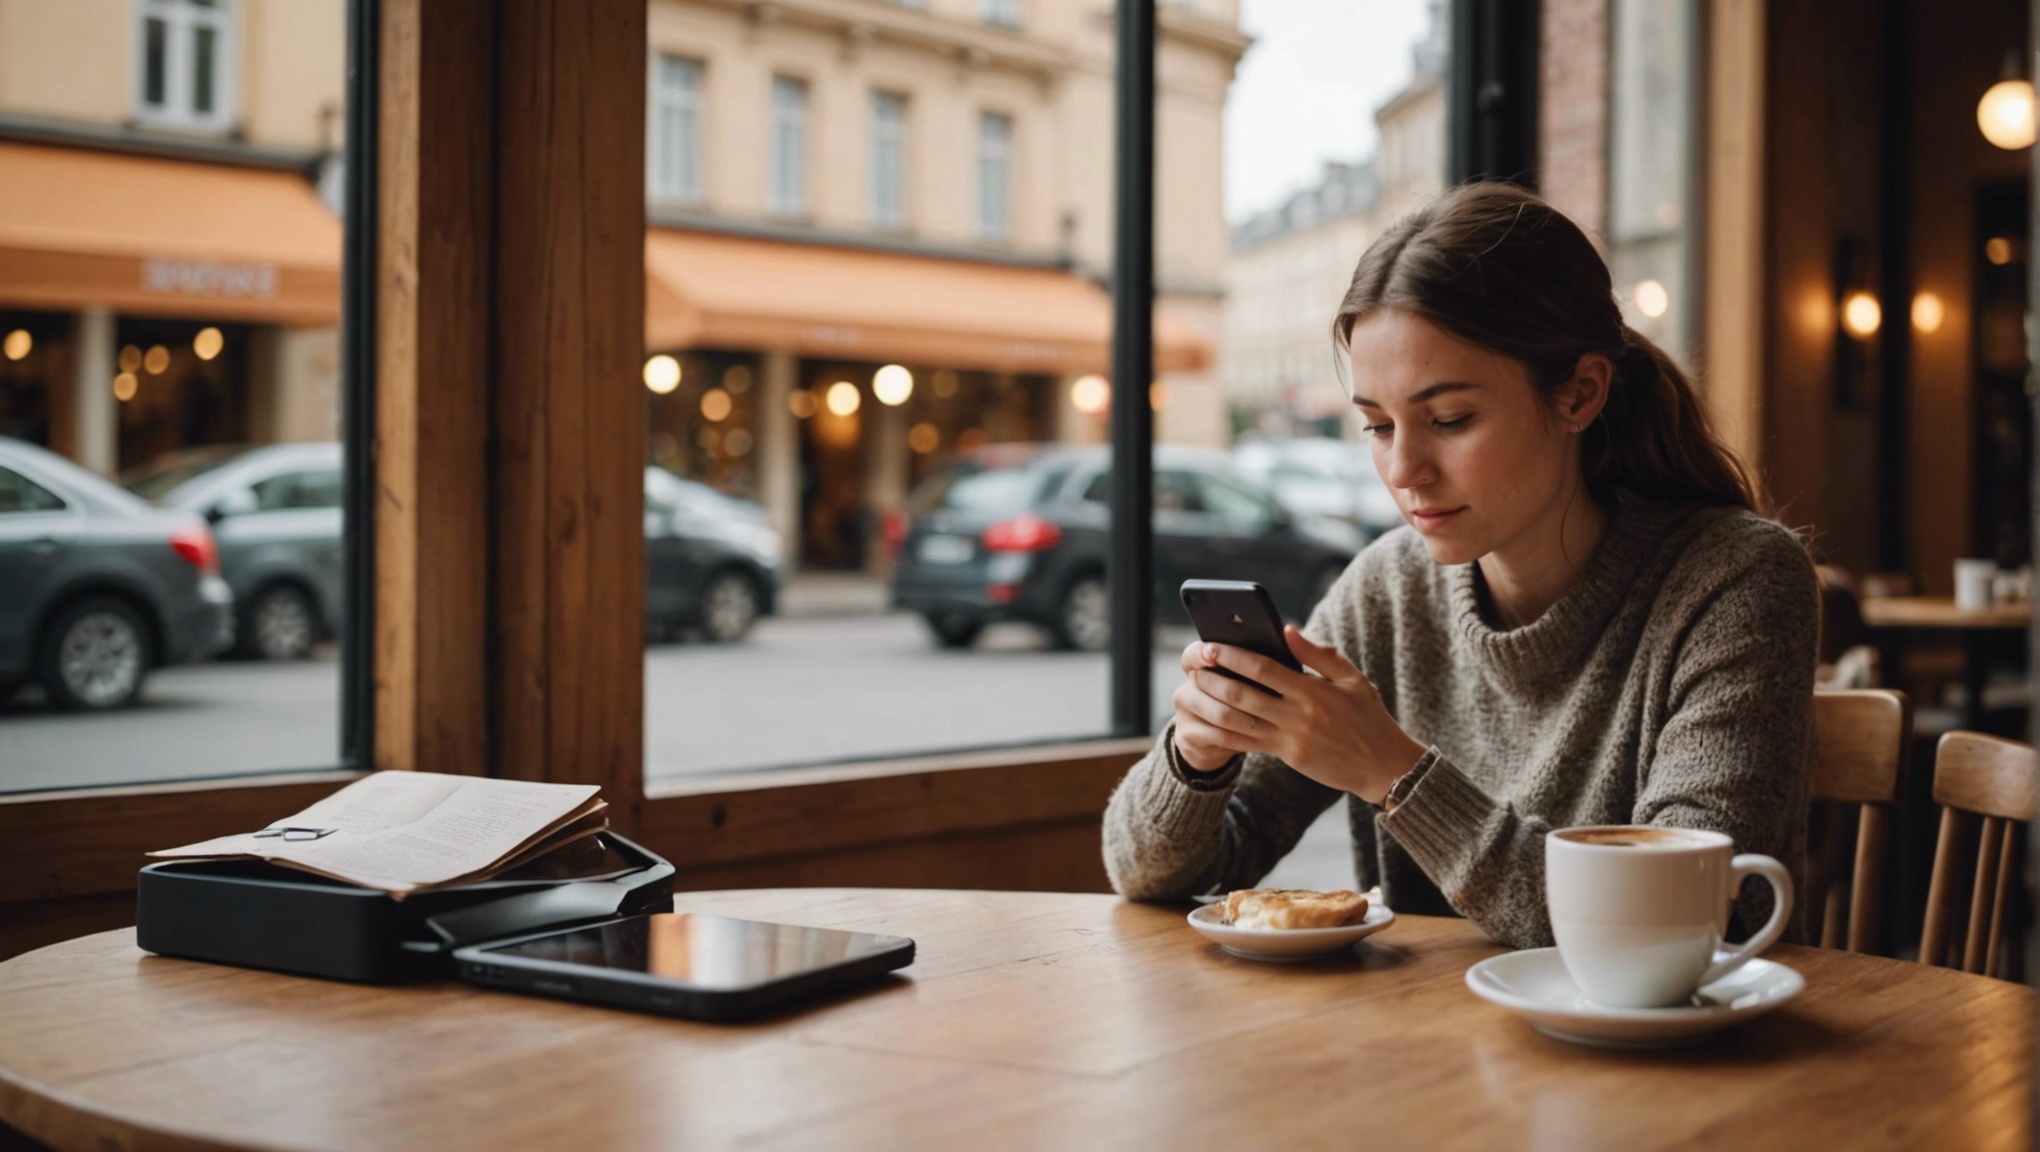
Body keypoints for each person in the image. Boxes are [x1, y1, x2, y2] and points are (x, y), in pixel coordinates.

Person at [1102, 182, 1817, 949]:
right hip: (1435, 1048)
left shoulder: (1737, 580)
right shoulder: (1388, 588)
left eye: (1449, 420)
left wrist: (1396, 775)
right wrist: (1198, 759)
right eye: (1377, 425)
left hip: (1669, 1063)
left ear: (1580, 394)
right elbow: (1146, 874)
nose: (1404, 470)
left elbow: (1682, 922)